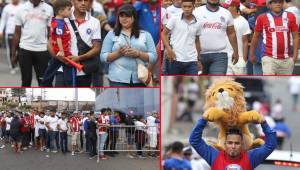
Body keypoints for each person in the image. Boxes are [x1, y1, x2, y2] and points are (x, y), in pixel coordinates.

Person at [100, 4, 157, 87]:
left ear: (134, 17)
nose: (124, 19)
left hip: (140, 79)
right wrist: (118, 53)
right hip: (117, 79)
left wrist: (138, 54)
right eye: (121, 16)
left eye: (127, 16)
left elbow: (154, 57)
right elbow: (103, 57)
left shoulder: (145, 35)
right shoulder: (111, 34)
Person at [189, 116, 277, 169]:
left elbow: (271, 145)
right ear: (225, 144)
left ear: (242, 144)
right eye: (230, 143)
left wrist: (264, 123)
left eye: (237, 143)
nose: (233, 146)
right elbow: (194, 141)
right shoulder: (214, 156)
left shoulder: (251, 158)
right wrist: (203, 120)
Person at [52, 0, 101, 86]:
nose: (83, 3)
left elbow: (96, 48)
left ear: (90, 2)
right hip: (62, 69)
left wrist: (79, 58)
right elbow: (50, 42)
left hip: (83, 71)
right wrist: (62, 59)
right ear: (73, 1)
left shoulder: (95, 22)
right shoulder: (62, 16)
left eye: (86, 0)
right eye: (79, 0)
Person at [250, 0, 299, 75]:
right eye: (275, 2)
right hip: (269, 57)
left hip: (286, 59)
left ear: (282, 4)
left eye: (280, 2)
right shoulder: (262, 18)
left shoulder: (290, 16)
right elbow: (255, 37)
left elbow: (295, 37)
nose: (278, 4)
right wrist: (252, 54)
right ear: (269, 5)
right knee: (270, 84)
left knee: (285, 85)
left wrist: (295, 56)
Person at [12, 0, 53, 86]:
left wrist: (52, 51)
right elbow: (17, 32)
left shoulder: (48, 8)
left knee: (43, 82)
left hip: (42, 50)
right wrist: (13, 54)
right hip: (25, 49)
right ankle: (25, 99)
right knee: (26, 81)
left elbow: (51, 33)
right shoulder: (21, 9)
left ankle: (44, 99)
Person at [193, 0, 239, 74]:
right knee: (200, 81)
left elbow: (231, 33)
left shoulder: (226, 13)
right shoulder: (196, 12)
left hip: (220, 55)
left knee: (218, 80)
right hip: (197, 55)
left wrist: (236, 51)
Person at [162, 0, 202, 75]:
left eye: (189, 7)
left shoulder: (198, 22)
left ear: (194, 7)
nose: (187, 9)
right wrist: (168, 49)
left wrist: (198, 59)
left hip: (192, 60)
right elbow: (164, 34)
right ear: (181, 7)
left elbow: (197, 40)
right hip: (175, 58)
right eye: (184, 6)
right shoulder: (174, 18)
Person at [222, 0, 251, 75]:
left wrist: (244, 59)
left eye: (227, 7)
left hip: (239, 58)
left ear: (234, 7)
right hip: (225, 58)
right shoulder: (223, 20)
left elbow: (245, 41)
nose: (225, 9)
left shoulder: (243, 21)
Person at [0, 0, 20, 74]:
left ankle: (16, 61)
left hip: (21, 32)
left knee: (20, 50)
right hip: (10, 32)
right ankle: (12, 66)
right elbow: (3, 19)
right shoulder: (7, 8)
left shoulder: (22, 7)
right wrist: (1, 30)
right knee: (11, 50)